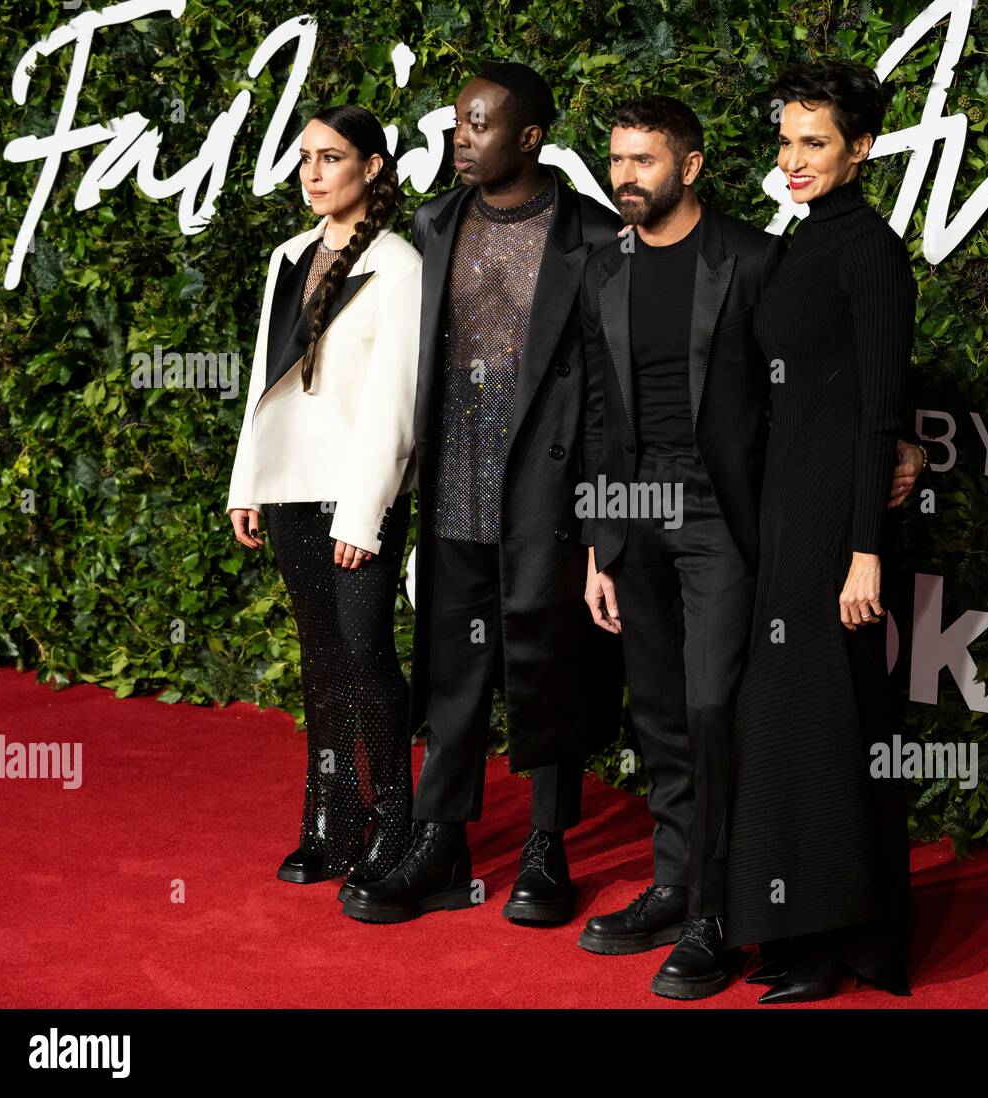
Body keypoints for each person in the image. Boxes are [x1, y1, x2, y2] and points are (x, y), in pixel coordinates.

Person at [579, 96, 925, 999]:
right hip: (676, 514)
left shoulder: (762, 255)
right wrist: (597, 541)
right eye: (615, 160)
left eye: (642, 159)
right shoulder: (607, 266)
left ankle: (720, 913)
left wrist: (893, 467)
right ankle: (681, 886)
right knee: (667, 715)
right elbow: (595, 412)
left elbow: (861, 378)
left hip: (735, 519)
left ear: (688, 166)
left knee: (721, 714)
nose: (625, 176)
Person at [340, 62, 624, 926]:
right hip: (454, 494)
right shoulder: (434, 222)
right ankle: (440, 840)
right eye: (458, 124)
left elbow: (611, 394)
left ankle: (547, 846)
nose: (460, 138)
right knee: (454, 675)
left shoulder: (596, 236)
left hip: (548, 500)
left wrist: (599, 523)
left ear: (530, 136)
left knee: (550, 672)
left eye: (478, 124)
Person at [722, 61, 920, 1003]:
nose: (794, 160)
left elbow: (881, 406)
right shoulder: (798, 243)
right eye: (787, 141)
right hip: (786, 516)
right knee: (793, 727)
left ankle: (844, 938)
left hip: (837, 531)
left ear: (862, 149)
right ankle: (800, 926)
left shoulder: (871, 252)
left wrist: (865, 550)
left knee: (831, 727)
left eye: (816, 143)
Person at [225, 105, 423, 901]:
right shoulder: (288, 255)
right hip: (291, 489)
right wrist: (250, 482)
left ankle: (398, 825)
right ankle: (333, 821)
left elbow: (394, 406)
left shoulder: (402, 264)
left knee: (369, 657)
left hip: (358, 495)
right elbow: (261, 384)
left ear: (372, 168)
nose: (311, 172)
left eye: (330, 157)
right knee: (322, 663)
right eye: (304, 157)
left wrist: (363, 514)